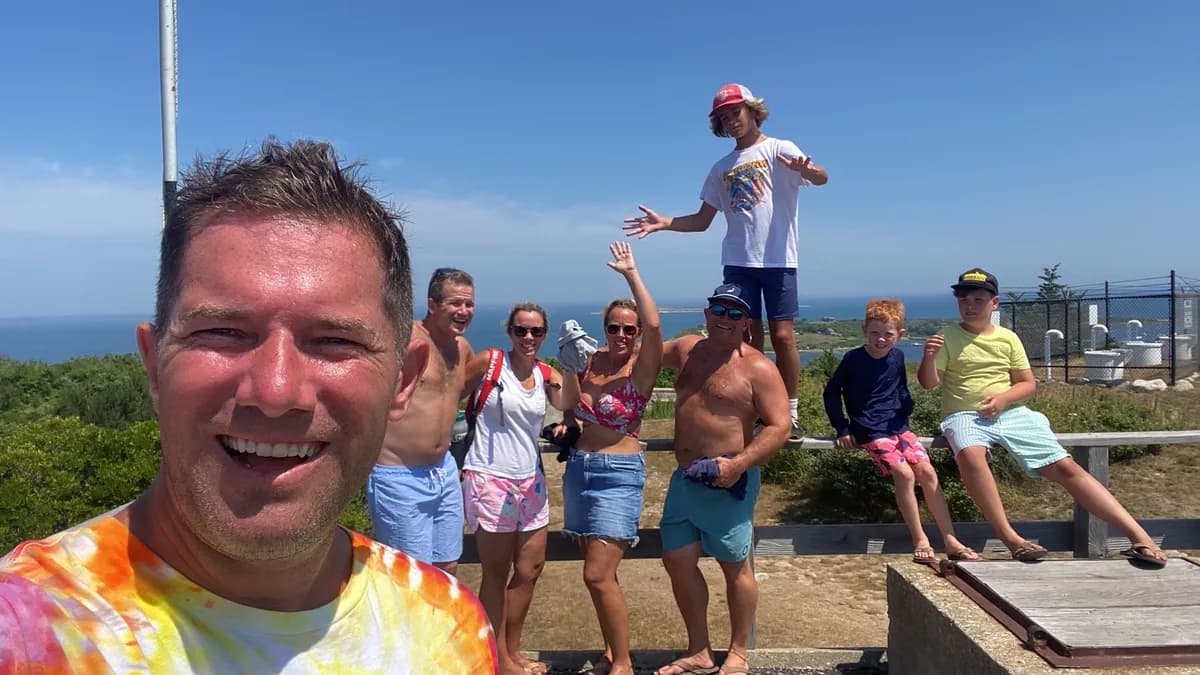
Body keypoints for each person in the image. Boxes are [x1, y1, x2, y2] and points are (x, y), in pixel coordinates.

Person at [0, 139, 496, 672]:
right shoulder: (32, 634)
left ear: (403, 380)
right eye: (223, 332)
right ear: (153, 366)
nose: (277, 392)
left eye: (335, 341)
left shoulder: (447, 630)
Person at [918, 268, 1167, 566]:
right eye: (963, 299)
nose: (969, 305)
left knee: (1066, 466)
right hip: (963, 414)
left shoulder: (1007, 339)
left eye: (978, 299)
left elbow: (1027, 383)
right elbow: (929, 383)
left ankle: (1139, 537)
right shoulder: (946, 337)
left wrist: (1002, 399)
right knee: (971, 457)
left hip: (1011, 413)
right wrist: (929, 358)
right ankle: (1011, 539)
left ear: (994, 303)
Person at [623, 82, 829, 441]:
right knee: (747, 338)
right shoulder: (721, 167)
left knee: (783, 335)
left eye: (736, 112)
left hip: (779, 259)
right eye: (723, 117)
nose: (731, 120)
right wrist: (665, 223)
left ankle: (789, 412)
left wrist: (808, 169)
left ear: (752, 110)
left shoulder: (781, 149)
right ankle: (756, 408)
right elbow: (703, 220)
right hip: (738, 261)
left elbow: (822, 177)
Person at [652, 282, 790, 675]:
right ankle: (698, 650)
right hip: (683, 480)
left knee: (735, 567)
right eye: (719, 310)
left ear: (746, 322)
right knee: (677, 561)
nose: (725, 319)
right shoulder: (686, 349)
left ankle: (739, 653)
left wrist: (738, 465)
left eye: (735, 313)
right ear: (707, 312)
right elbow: (642, 357)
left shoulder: (758, 368)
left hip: (728, 481)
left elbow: (780, 426)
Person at [555, 241, 663, 675]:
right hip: (579, 471)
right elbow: (568, 403)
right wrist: (565, 368)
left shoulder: (641, 366)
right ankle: (610, 648)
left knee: (596, 575)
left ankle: (623, 664)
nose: (622, 335)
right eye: (615, 328)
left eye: (629, 330)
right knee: (601, 574)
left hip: (618, 474)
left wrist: (630, 273)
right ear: (605, 328)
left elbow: (655, 324)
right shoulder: (588, 361)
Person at [461, 302, 580, 675]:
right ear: (509, 332)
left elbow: (566, 402)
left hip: (530, 480)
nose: (529, 337)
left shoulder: (547, 373)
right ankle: (496, 657)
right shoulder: (490, 363)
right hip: (489, 477)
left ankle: (512, 651)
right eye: (521, 330)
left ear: (545, 334)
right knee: (495, 573)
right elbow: (452, 390)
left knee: (530, 568)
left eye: (536, 331)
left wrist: (573, 365)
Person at [823, 299, 978, 564]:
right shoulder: (853, 359)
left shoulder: (898, 356)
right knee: (904, 474)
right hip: (869, 427)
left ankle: (950, 538)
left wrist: (905, 410)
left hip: (897, 425)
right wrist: (842, 428)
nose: (881, 339)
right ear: (864, 330)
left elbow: (900, 388)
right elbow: (831, 392)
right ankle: (920, 538)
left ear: (900, 335)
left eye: (888, 334)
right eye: (875, 333)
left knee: (927, 471)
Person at [368, 267, 475, 574]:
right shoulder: (405, 341)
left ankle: (436, 624)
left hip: (443, 472)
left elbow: (457, 393)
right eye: (455, 303)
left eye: (469, 304)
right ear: (432, 305)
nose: (464, 311)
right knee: (410, 576)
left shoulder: (461, 349)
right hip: (399, 476)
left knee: (447, 565)